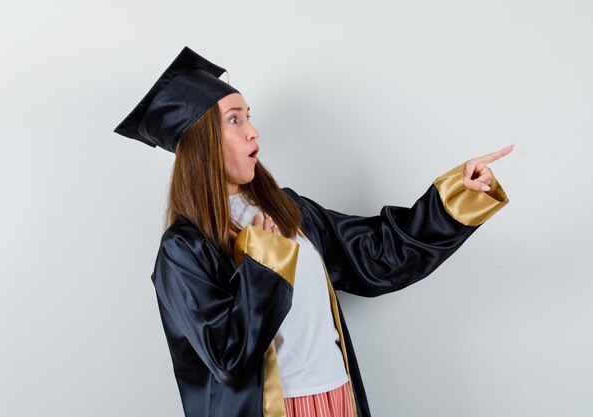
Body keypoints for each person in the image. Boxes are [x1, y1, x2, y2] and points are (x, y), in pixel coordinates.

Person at [113, 46, 512, 417]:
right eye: (235, 119)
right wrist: (264, 267)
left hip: (339, 396)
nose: (253, 131)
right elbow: (228, 359)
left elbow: (379, 254)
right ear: (200, 143)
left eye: (248, 116)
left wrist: (456, 196)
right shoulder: (183, 250)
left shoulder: (290, 210)